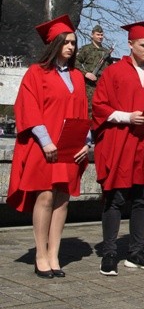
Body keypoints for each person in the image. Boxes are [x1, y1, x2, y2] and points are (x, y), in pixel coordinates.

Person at [7, 14, 90, 278]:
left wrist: (86, 142)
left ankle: (54, 254)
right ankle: (40, 255)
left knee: (62, 199)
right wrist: (45, 140)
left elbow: (82, 112)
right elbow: (29, 108)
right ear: (53, 44)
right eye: (65, 42)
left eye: (73, 42)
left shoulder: (77, 77)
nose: (70, 47)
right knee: (44, 196)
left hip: (68, 148)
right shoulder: (37, 72)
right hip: (45, 146)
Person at [92, 21, 144, 276]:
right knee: (116, 198)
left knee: (143, 199)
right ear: (130, 44)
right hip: (122, 142)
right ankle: (109, 252)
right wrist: (127, 117)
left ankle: (136, 252)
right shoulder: (114, 72)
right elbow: (99, 106)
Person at [76, 24, 113, 113]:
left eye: (102, 35)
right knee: (90, 109)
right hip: (90, 85)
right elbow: (75, 62)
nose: (100, 37)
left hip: (102, 85)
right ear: (92, 35)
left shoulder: (106, 52)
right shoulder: (86, 49)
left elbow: (110, 68)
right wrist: (85, 73)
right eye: (98, 34)